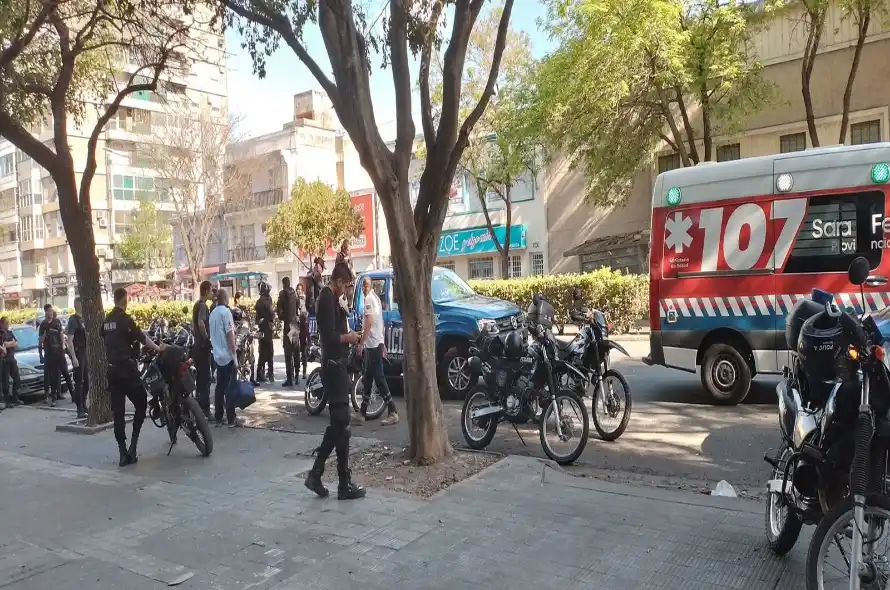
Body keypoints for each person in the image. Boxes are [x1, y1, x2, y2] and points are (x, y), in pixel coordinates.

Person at [304, 261, 365, 501]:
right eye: (347, 285)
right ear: (338, 282)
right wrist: (347, 337)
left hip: (339, 366)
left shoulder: (333, 299)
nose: (348, 290)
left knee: (339, 426)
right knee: (342, 425)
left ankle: (323, 475)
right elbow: (329, 337)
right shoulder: (326, 299)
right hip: (333, 367)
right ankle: (339, 481)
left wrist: (346, 311)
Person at [104, 288, 166, 466]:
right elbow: (142, 338)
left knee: (119, 414)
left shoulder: (107, 321)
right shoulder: (125, 320)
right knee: (141, 403)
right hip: (127, 370)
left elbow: (106, 338)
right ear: (124, 299)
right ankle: (133, 446)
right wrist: (158, 348)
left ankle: (123, 453)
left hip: (112, 371)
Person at [354, 277, 398, 426]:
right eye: (364, 287)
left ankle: (393, 411)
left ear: (367, 287)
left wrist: (361, 343)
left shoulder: (368, 301)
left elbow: (369, 323)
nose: (364, 289)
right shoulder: (377, 300)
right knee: (368, 378)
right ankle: (362, 412)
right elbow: (381, 323)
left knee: (378, 378)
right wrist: (382, 343)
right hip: (376, 343)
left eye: (364, 287)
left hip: (372, 345)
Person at [210, 289, 240, 427]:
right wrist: (235, 357)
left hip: (217, 355)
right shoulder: (226, 312)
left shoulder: (213, 314)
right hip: (227, 356)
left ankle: (218, 417)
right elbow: (230, 336)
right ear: (226, 298)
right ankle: (231, 418)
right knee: (230, 388)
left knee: (219, 388)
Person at [38, 304, 72, 407]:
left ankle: (73, 395)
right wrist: (44, 334)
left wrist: (63, 345)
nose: (51, 313)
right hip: (50, 353)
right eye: (49, 311)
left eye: (52, 311)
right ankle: (53, 398)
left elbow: (61, 333)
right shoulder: (43, 325)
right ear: (46, 312)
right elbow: (41, 340)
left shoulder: (57, 322)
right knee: (52, 377)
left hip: (59, 352)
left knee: (65, 373)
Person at [192, 281, 213, 419]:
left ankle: (198, 409)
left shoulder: (196, 305)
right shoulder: (203, 306)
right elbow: (200, 323)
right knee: (205, 379)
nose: (212, 293)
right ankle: (205, 410)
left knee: (200, 380)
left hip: (197, 347)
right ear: (205, 291)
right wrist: (207, 339)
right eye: (211, 290)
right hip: (202, 347)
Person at [66, 298, 88, 418]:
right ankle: (79, 409)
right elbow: (70, 341)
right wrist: (74, 358)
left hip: (85, 352)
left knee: (87, 382)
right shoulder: (73, 320)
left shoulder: (83, 319)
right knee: (79, 382)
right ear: (78, 305)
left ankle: (84, 404)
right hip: (78, 353)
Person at [277, 277, 300, 386]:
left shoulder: (282, 294)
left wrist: (283, 317)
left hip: (287, 325)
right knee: (296, 351)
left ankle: (289, 378)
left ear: (283, 284)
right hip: (294, 324)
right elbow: (298, 304)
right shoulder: (294, 293)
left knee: (288, 353)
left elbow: (278, 310)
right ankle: (297, 376)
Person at [232, 292, 258, 386]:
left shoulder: (244, 309)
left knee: (251, 358)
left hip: (248, 336)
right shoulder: (234, 310)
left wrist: (252, 331)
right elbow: (234, 325)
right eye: (241, 299)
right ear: (237, 299)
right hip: (239, 338)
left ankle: (252, 378)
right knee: (239, 360)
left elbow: (248, 323)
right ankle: (238, 379)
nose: (243, 301)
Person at [254, 281, 275, 383]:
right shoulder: (267, 301)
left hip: (261, 330)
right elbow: (272, 314)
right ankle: (269, 374)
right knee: (269, 352)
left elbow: (256, 318)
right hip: (267, 329)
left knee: (262, 352)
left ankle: (260, 373)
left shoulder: (259, 301)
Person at [0, 317, 20, 410]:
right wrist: (11, 343)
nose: (8, 324)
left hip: (12, 358)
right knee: (6, 382)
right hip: (5, 360)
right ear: (2, 324)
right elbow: (4, 344)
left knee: (17, 379)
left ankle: (16, 398)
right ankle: (7, 401)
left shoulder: (10, 332)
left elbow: (16, 343)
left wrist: (10, 343)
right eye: (6, 323)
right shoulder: (1, 334)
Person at [296, 282, 310, 380]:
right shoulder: (294, 300)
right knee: (295, 350)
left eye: (300, 289)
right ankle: (296, 373)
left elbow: (306, 312)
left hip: (303, 324)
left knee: (304, 350)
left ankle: (304, 371)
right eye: (298, 289)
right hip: (295, 326)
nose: (299, 291)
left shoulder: (305, 299)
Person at [209, 287, 218, 383]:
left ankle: (214, 374)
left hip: (213, 332)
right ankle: (214, 374)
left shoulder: (212, 306)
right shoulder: (215, 306)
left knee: (214, 354)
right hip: (216, 333)